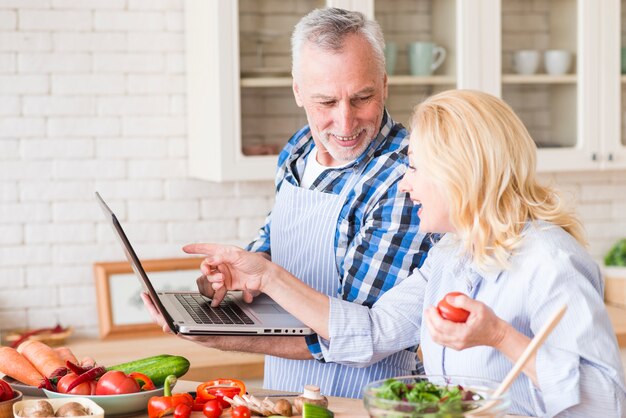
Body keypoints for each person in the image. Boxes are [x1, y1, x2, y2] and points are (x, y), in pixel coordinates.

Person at [183, 90, 626, 416]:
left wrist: (501, 336)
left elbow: (607, 404)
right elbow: (375, 330)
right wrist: (266, 276)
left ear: (460, 173)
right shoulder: (452, 255)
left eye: (415, 167)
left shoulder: (551, 260)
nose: (404, 183)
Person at [143, 7, 432, 398]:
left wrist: (224, 337)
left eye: (362, 98)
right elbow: (271, 249)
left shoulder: (405, 176)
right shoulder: (298, 150)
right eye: (326, 103)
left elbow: (361, 336)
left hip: (366, 398)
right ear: (297, 91)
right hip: (286, 393)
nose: (345, 125)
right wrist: (228, 281)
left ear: (384, 84)